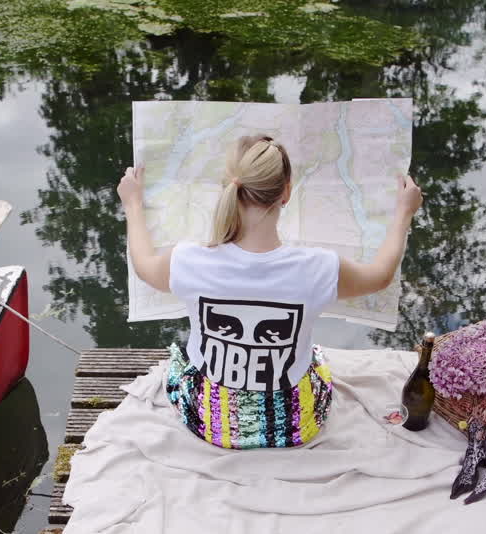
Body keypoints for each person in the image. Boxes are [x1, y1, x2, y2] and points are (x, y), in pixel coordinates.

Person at [118, 134, 423, 449]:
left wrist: (133, 203)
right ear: (286, 192)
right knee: (315, 358)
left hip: (211, 419)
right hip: (292, 423)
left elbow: (144, 266)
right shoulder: (317, 268)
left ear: (229, 188)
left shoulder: (188, 260)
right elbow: (380, 276)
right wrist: (403, 213)